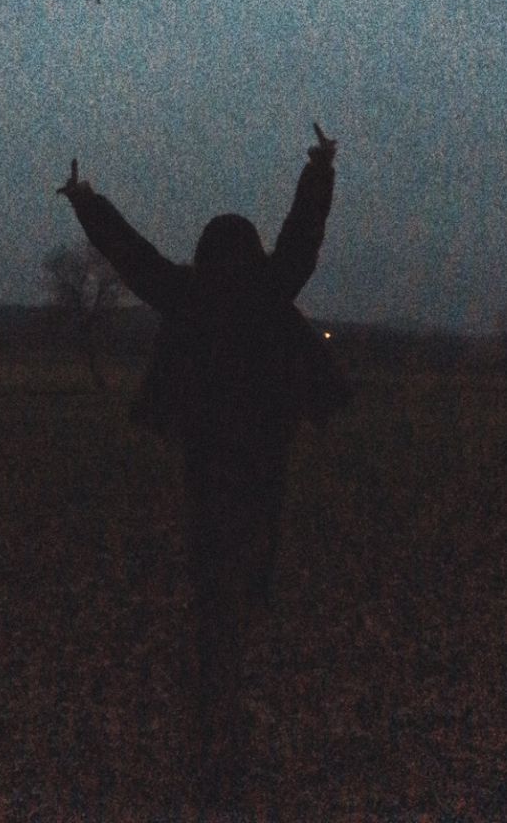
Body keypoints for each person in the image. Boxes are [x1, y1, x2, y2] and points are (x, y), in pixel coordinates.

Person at [56, 124, 351, 807]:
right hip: (264, 434)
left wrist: (85, 200)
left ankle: (222, 594)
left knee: (209, 516)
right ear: (248, 248)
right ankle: (247, 587)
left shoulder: (187, 293)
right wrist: (321, 167)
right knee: (263, 507)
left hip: (208, 438)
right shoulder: (271, 286)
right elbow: (304, 235)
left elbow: (129, 254)